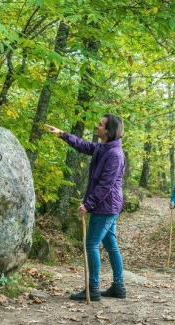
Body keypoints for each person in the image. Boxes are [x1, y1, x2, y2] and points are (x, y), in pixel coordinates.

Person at [46, 114, 127, 301]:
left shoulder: (114, 154)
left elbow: (106, 185)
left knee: (91, 244)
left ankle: (93, 288)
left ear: (108, 131)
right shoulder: (103, 148)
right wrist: (62, 134)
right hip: (108, 206)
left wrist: (88, 204)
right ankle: (118, 286)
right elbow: (83, 145)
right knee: (110, 245)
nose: (96, 126)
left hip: (105, 207)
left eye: (100, 124)